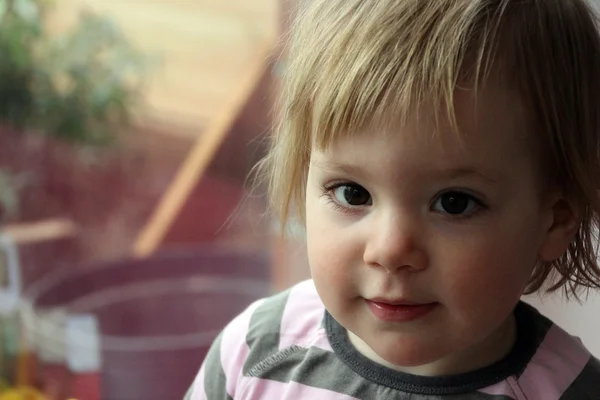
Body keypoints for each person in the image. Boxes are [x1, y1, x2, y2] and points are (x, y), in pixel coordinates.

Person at [185, 0, 600, 398]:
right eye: (353, 193)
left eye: (454, 202)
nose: (390, 250)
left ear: (555, 218)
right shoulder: (254, 352)